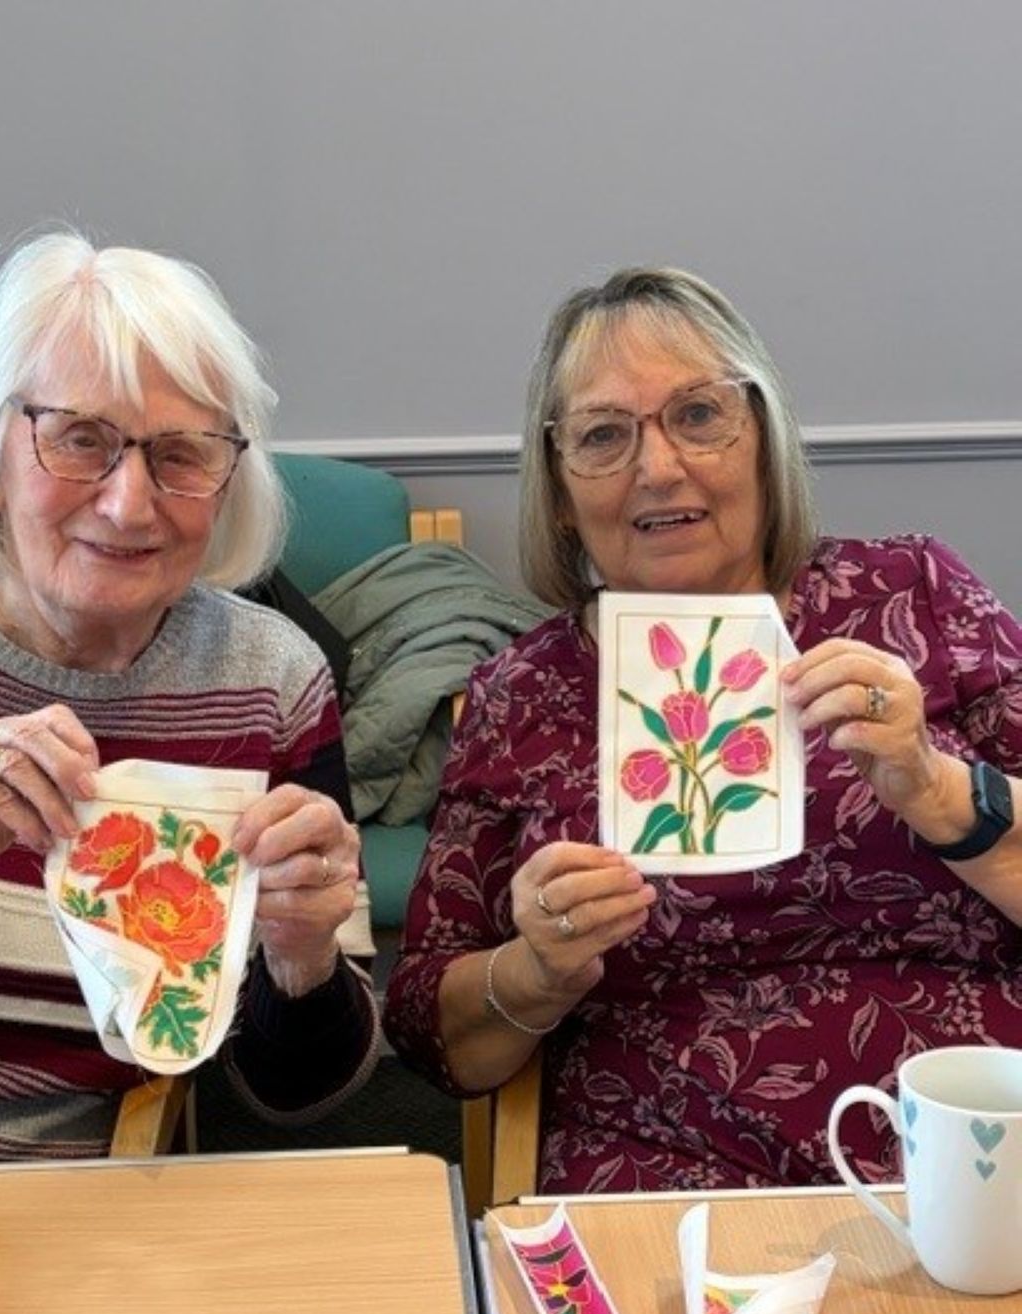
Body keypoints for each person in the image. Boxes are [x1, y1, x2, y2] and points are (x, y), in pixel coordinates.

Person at [384, 265, 1022, 1194]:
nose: (658, 467)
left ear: (762, 438)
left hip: (974, 1139)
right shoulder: (519, 694)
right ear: (561, 492)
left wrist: (938, 789)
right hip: (667, 1159)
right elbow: (433, 1034)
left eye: (697, 415)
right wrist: (536, 970)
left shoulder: (913, 595)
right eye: (604, 435)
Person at [0, 231, 378, 1167]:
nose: (128, 503)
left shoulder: (269, 684)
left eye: (180, 455)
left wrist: (302, 958)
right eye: (81, 439)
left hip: (89, 1209)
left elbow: (298, 1099)